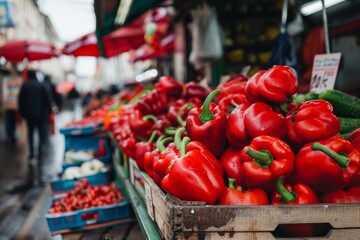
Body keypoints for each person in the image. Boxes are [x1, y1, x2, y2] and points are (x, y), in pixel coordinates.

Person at [18, 69, 52, 185]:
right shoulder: (41, 85)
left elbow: (21, 101)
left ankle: (32, 153)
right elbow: (47, 100)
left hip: (29, 115)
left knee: (31, 134)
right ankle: (40, 153)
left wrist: (23, 113)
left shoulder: (25, 86)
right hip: (41, 116)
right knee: (41, 134)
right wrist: (48, 111)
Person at [2, 71, 21, 144]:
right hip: (13, 104)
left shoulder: (7, 80)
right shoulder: (17, 80)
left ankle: (10, 135)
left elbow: (5, 92)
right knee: (10, 120)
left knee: (10, 120)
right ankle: (10, 135)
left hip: (10, 104)